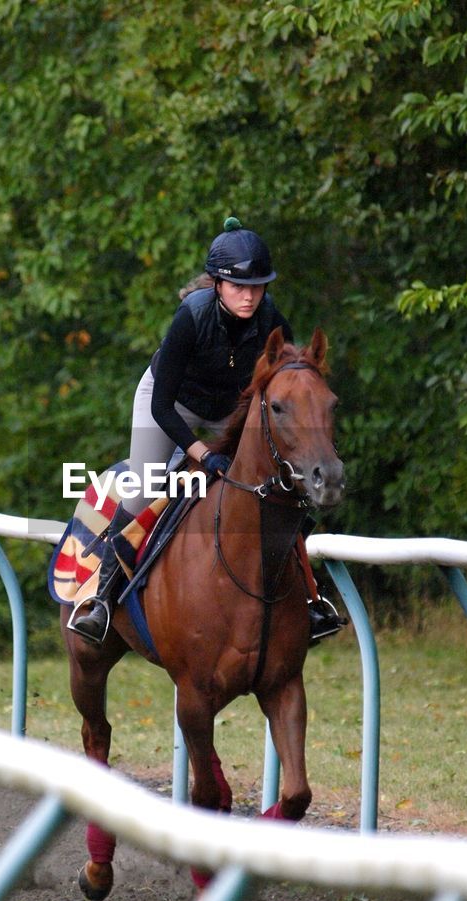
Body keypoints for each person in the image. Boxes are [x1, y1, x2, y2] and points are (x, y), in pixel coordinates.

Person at [69, 217, 347, 645]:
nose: (250, 296)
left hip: (230, 406)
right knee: (145, 486)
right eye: (239, 287)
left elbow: (287, 383)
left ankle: (310, 601)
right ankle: (101, 601)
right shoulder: (190, 317)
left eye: (257, 286)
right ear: (216, 284)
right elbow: (162, 406)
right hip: (170, 401)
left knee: (282, 491)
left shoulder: (271, 318)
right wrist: (202, 454)